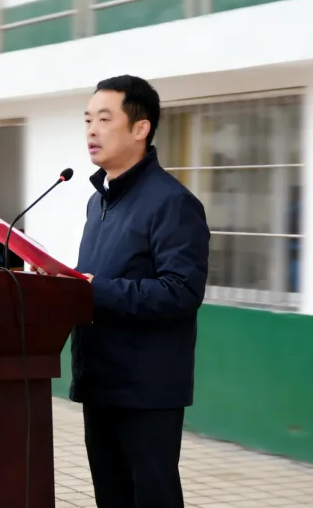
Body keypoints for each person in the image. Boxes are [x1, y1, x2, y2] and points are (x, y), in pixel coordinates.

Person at [71, 75, 209, 508]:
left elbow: (181, 291)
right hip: (99, 379)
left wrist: (92, 290)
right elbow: (100, 279)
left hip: (146, 389)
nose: (92, 130)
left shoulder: (172, 202)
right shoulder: (99, 201)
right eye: (88, 120)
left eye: (104, 119)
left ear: (140, 128)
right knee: (110, 498)